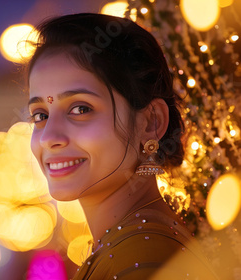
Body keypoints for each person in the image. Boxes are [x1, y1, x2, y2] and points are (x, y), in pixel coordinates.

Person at [26, 13, 219, 279]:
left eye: (81, 109)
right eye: (40, 115)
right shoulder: (135, 245)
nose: (49, 137)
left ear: (151, 122)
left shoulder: (141, 260)